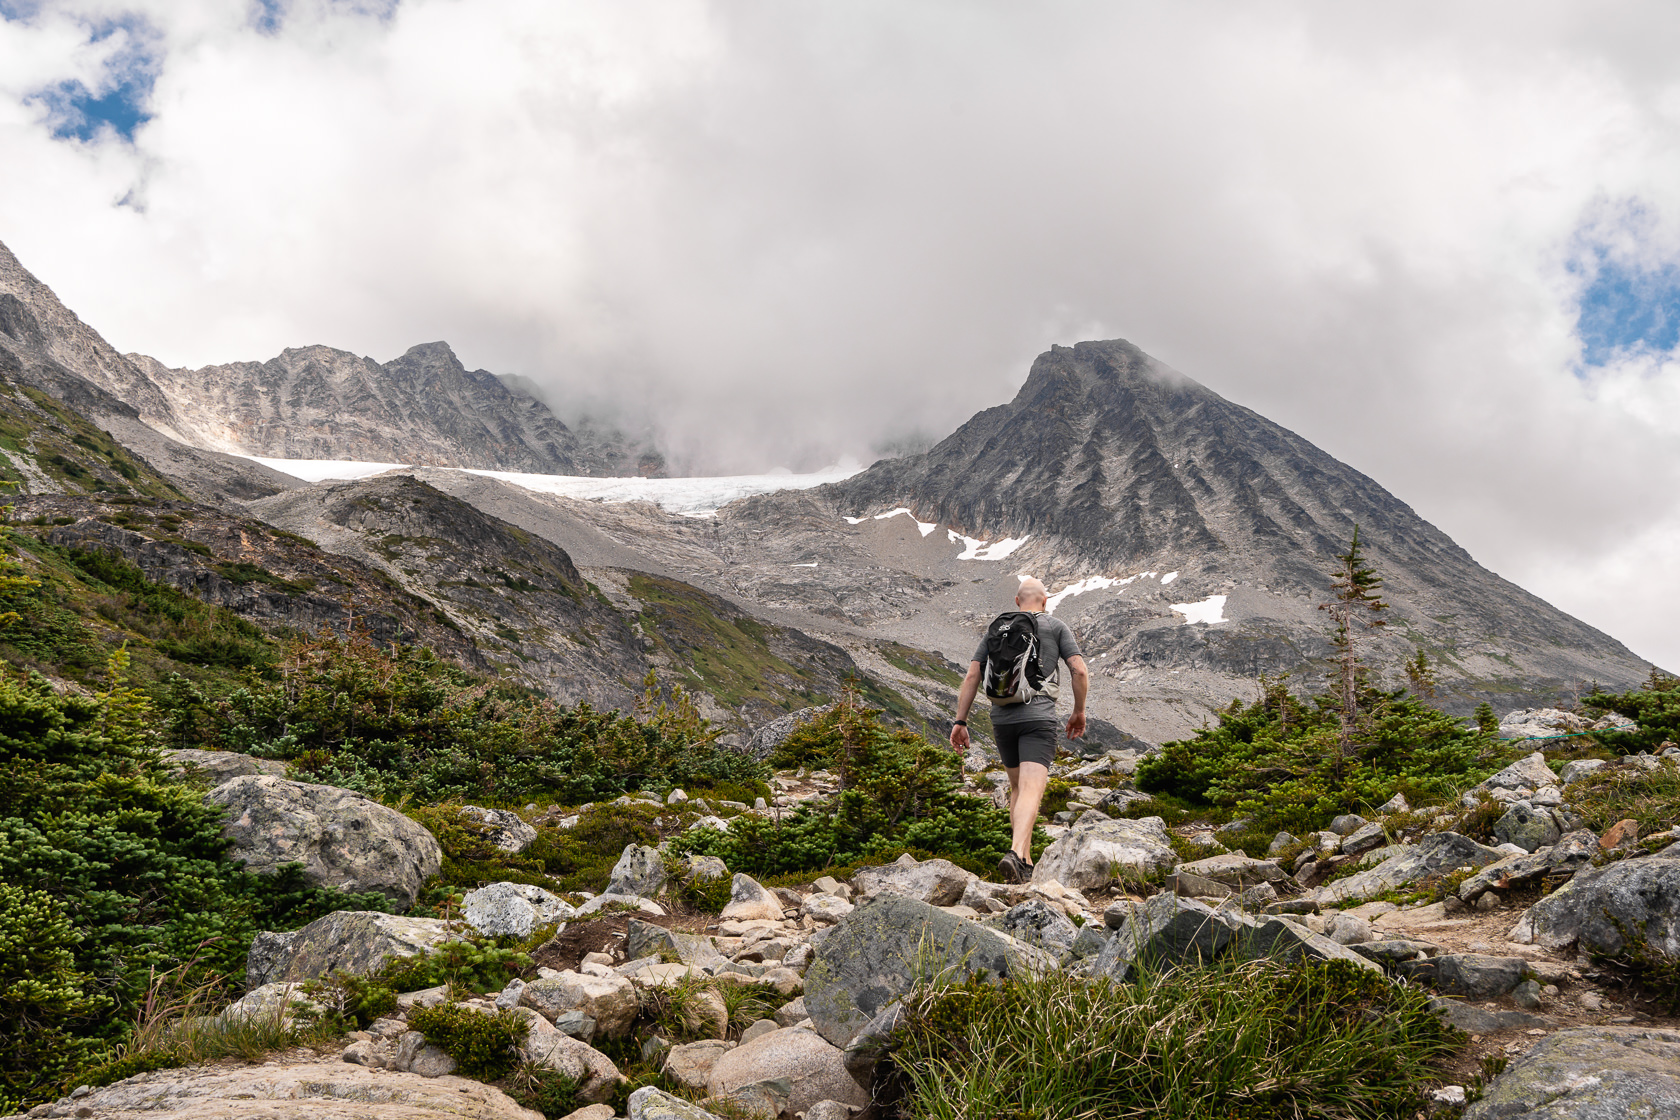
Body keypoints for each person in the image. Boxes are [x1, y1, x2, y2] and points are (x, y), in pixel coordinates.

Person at [950, 577, 1088, 884]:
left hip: (1002, 720)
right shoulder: (1055, 626)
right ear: (1045, 600)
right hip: (1037, 717)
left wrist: (960, 721)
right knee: (1032, 789)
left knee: (1017, 788)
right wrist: (1079, 711)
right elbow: (1078, 669)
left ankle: (1023, 861)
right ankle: (1015, 851)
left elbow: (973, 674)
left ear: (1016, 601)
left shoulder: (997, 629)